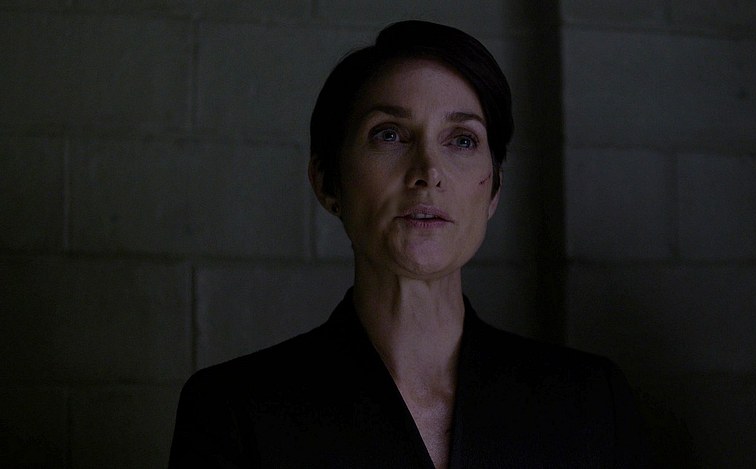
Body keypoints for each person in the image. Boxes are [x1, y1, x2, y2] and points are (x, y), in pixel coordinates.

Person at [169, 20, 648, 468]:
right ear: (328, 182)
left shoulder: (590, 401)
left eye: (462, 140)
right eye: (390, 134)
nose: (428, 172)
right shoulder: (233, 411)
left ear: (494, 190)